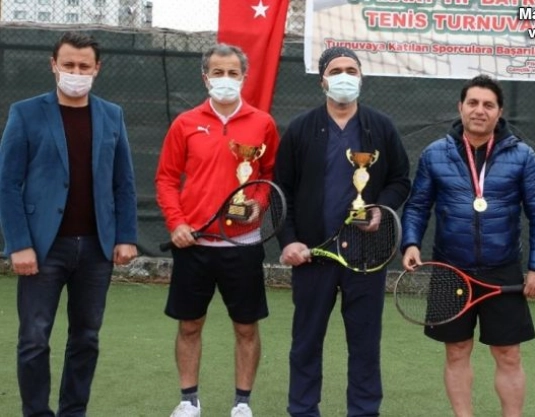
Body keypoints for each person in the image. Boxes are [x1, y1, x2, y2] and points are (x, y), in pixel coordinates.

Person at [0, 31, 138, 417]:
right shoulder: (25, 113)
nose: (76, 72)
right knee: (34, 339)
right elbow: (7, 183)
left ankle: (73, 411)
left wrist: (126, 236)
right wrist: (19, 244)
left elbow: (124, 182)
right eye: (68, 65)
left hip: (96, 248)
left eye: (83, 66)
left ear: (97, 68)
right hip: (42, 248)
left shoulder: (112, 115)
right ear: (53, 65)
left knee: (86, 338)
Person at [401, 74, 535, 417]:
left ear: (500, 112)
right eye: (473, 103)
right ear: (460, 107)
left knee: (508, 354)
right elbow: (417, 205)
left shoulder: (523, 156)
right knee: (456, 349)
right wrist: (410, 242)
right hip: (449, 269)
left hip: (503, 269)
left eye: (488, 105)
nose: (479, 110)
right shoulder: (434, 154)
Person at [275, 46, 411, 417]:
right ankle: (303, 410)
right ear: (322, 81)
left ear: (361, 77)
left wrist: (381, 209)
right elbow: (281, 190)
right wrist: (289, 241)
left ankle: (364, 411)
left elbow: (401, 179)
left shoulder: (380, 126)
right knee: (305, 343)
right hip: (313, 257)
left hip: (366, 257)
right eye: (336, 71)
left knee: (365, 346)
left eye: (352, 70)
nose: (344, 77)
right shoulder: (301, 128)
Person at [155, 44, 279, 417]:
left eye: (232, 73)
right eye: (218, 72)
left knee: (246, 328)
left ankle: (242, 404)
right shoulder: (185, 123)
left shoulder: (263, 123)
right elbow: (165, 179)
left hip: (243, 245)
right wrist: (177, 223)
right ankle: (188, 400)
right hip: (194, 244)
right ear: (205, 77)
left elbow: (269, 175)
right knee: (190, 325)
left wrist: (257, 203)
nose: (225, 79)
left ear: (244, 77)